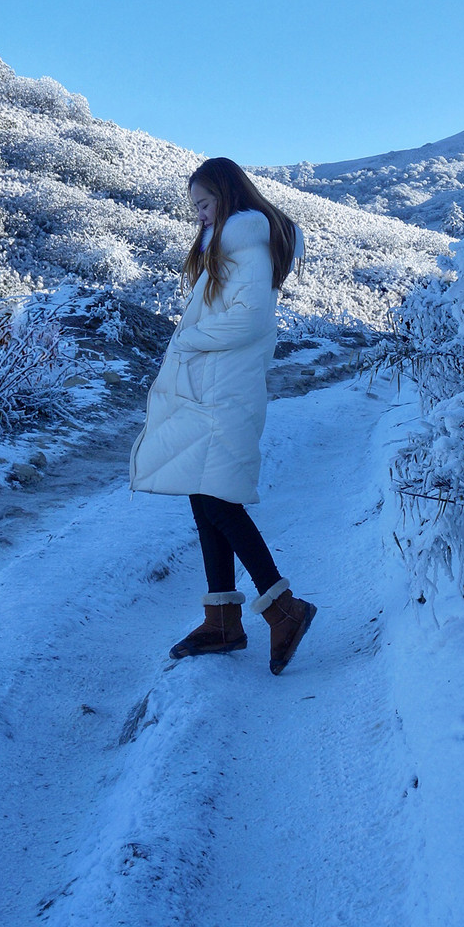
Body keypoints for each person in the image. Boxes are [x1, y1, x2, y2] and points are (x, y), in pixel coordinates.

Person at [129, 157, 317, 674]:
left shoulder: (247, 244)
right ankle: (222, 621)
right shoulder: (228, 248)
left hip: (223, 392)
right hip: (212, 390)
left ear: (229, 196)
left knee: (219, 502)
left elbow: (252, 321)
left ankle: (285, 610)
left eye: (205, 204)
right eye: (194, 208)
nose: (199, 216)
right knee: (204, 494)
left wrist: (188, 339)